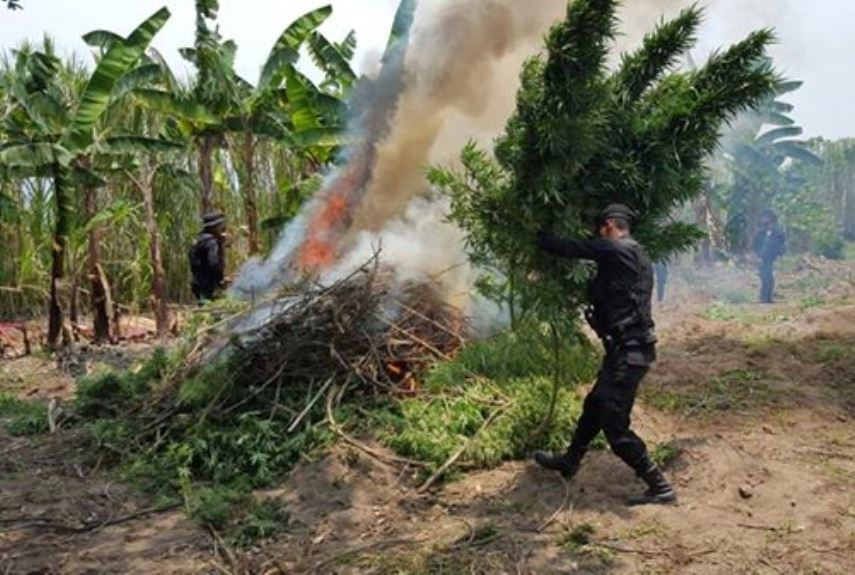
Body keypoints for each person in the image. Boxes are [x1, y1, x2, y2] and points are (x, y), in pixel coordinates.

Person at [533, 204, 677, 506]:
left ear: (610, 225)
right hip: (625, 350)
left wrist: (537, 234)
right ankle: (570, 461)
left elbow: (572, 248)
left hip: (630, 353)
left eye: (601, 229)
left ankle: (660, 487)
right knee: (595, 404)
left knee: (614, 426)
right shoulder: (634, 254)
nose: (599, 234)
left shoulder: (619, 249)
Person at [189, 212, 227, 302]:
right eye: (220, 226)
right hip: (209, 285)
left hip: (197, 283)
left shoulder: (198, 240)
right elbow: (214, 263)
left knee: (204, 311)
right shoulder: (211, 242)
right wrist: (220, 280)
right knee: (212, 311)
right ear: (214, 227)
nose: (222, 229)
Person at [752, 210, 786, 304]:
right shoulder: (762, 231)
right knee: (765, 277)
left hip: (768, 257)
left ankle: (765, 298)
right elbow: (755, 243)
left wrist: (778, 253)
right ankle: (766, 298)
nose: (762, 219)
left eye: (765, 217)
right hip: (764, 256)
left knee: (767, 277)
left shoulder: (775, 230)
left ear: (770, 219)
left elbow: (780, 243)